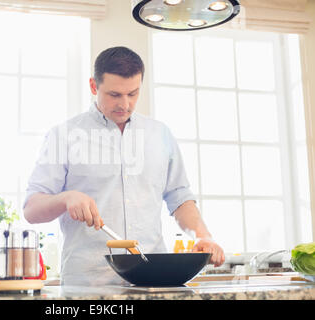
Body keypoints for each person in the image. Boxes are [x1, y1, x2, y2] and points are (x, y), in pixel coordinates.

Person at [23, 46, 225, 286]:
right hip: (89, 284)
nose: (125, 104)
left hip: (153, 280)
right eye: (114, 95)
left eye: (133, 93)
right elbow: (31, 210)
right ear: (93, 86)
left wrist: (203, 235)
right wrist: (66, 198)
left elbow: (179, 196)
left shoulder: (160, 134)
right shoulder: (63, 136)